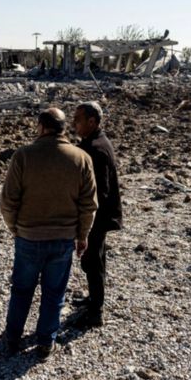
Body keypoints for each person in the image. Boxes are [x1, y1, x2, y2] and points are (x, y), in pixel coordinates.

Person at [0, 108, 98, 360]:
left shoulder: (23, 155)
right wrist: (82, 235)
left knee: (22, 290)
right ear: (64, 127)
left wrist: (15, 227)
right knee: (54, 293)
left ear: (42, 127)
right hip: (63, 239)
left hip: (28, 237)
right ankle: (45, 343)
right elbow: (88, 205)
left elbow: (8, 201)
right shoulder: (81, 158)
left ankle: (12, 338)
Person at [72, 101, 123, 327]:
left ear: (92, 122)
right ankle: (93, 300)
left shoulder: (96, 149)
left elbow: (99, 191)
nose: (74, 124)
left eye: (79, 120)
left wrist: (86, 218)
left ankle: (95, 312)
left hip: (96, 217)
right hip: (97, 215)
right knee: (94, 259)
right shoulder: (94, 142)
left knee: (94, 261)